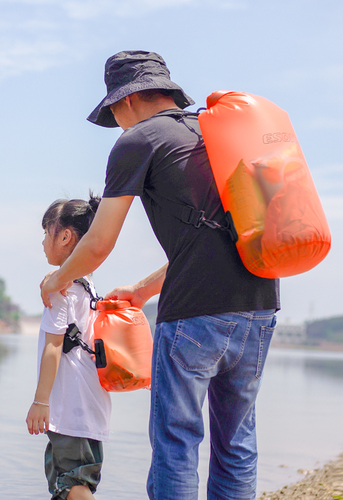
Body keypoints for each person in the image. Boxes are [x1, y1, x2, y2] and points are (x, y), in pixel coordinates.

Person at [40, 51, 280, 500]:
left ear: (125, 100)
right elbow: (219, 237)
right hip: (260, 307)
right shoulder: (215, 135)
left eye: (112, 111)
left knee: (176, 443)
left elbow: (98, 243)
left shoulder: (139, 141)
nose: (116, 121)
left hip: (194, 316)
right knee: (237, 441)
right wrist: (143, 289)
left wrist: (56, 280)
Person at [27, 194, 111, 500]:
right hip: (92, 406)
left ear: (64, 237)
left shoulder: (60, 291)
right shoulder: (87, 287)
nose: (43, 242)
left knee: (71, 484)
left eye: (46, 232)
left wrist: (40, 402)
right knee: (77, 482)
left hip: (70, 408)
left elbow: (53, 347)